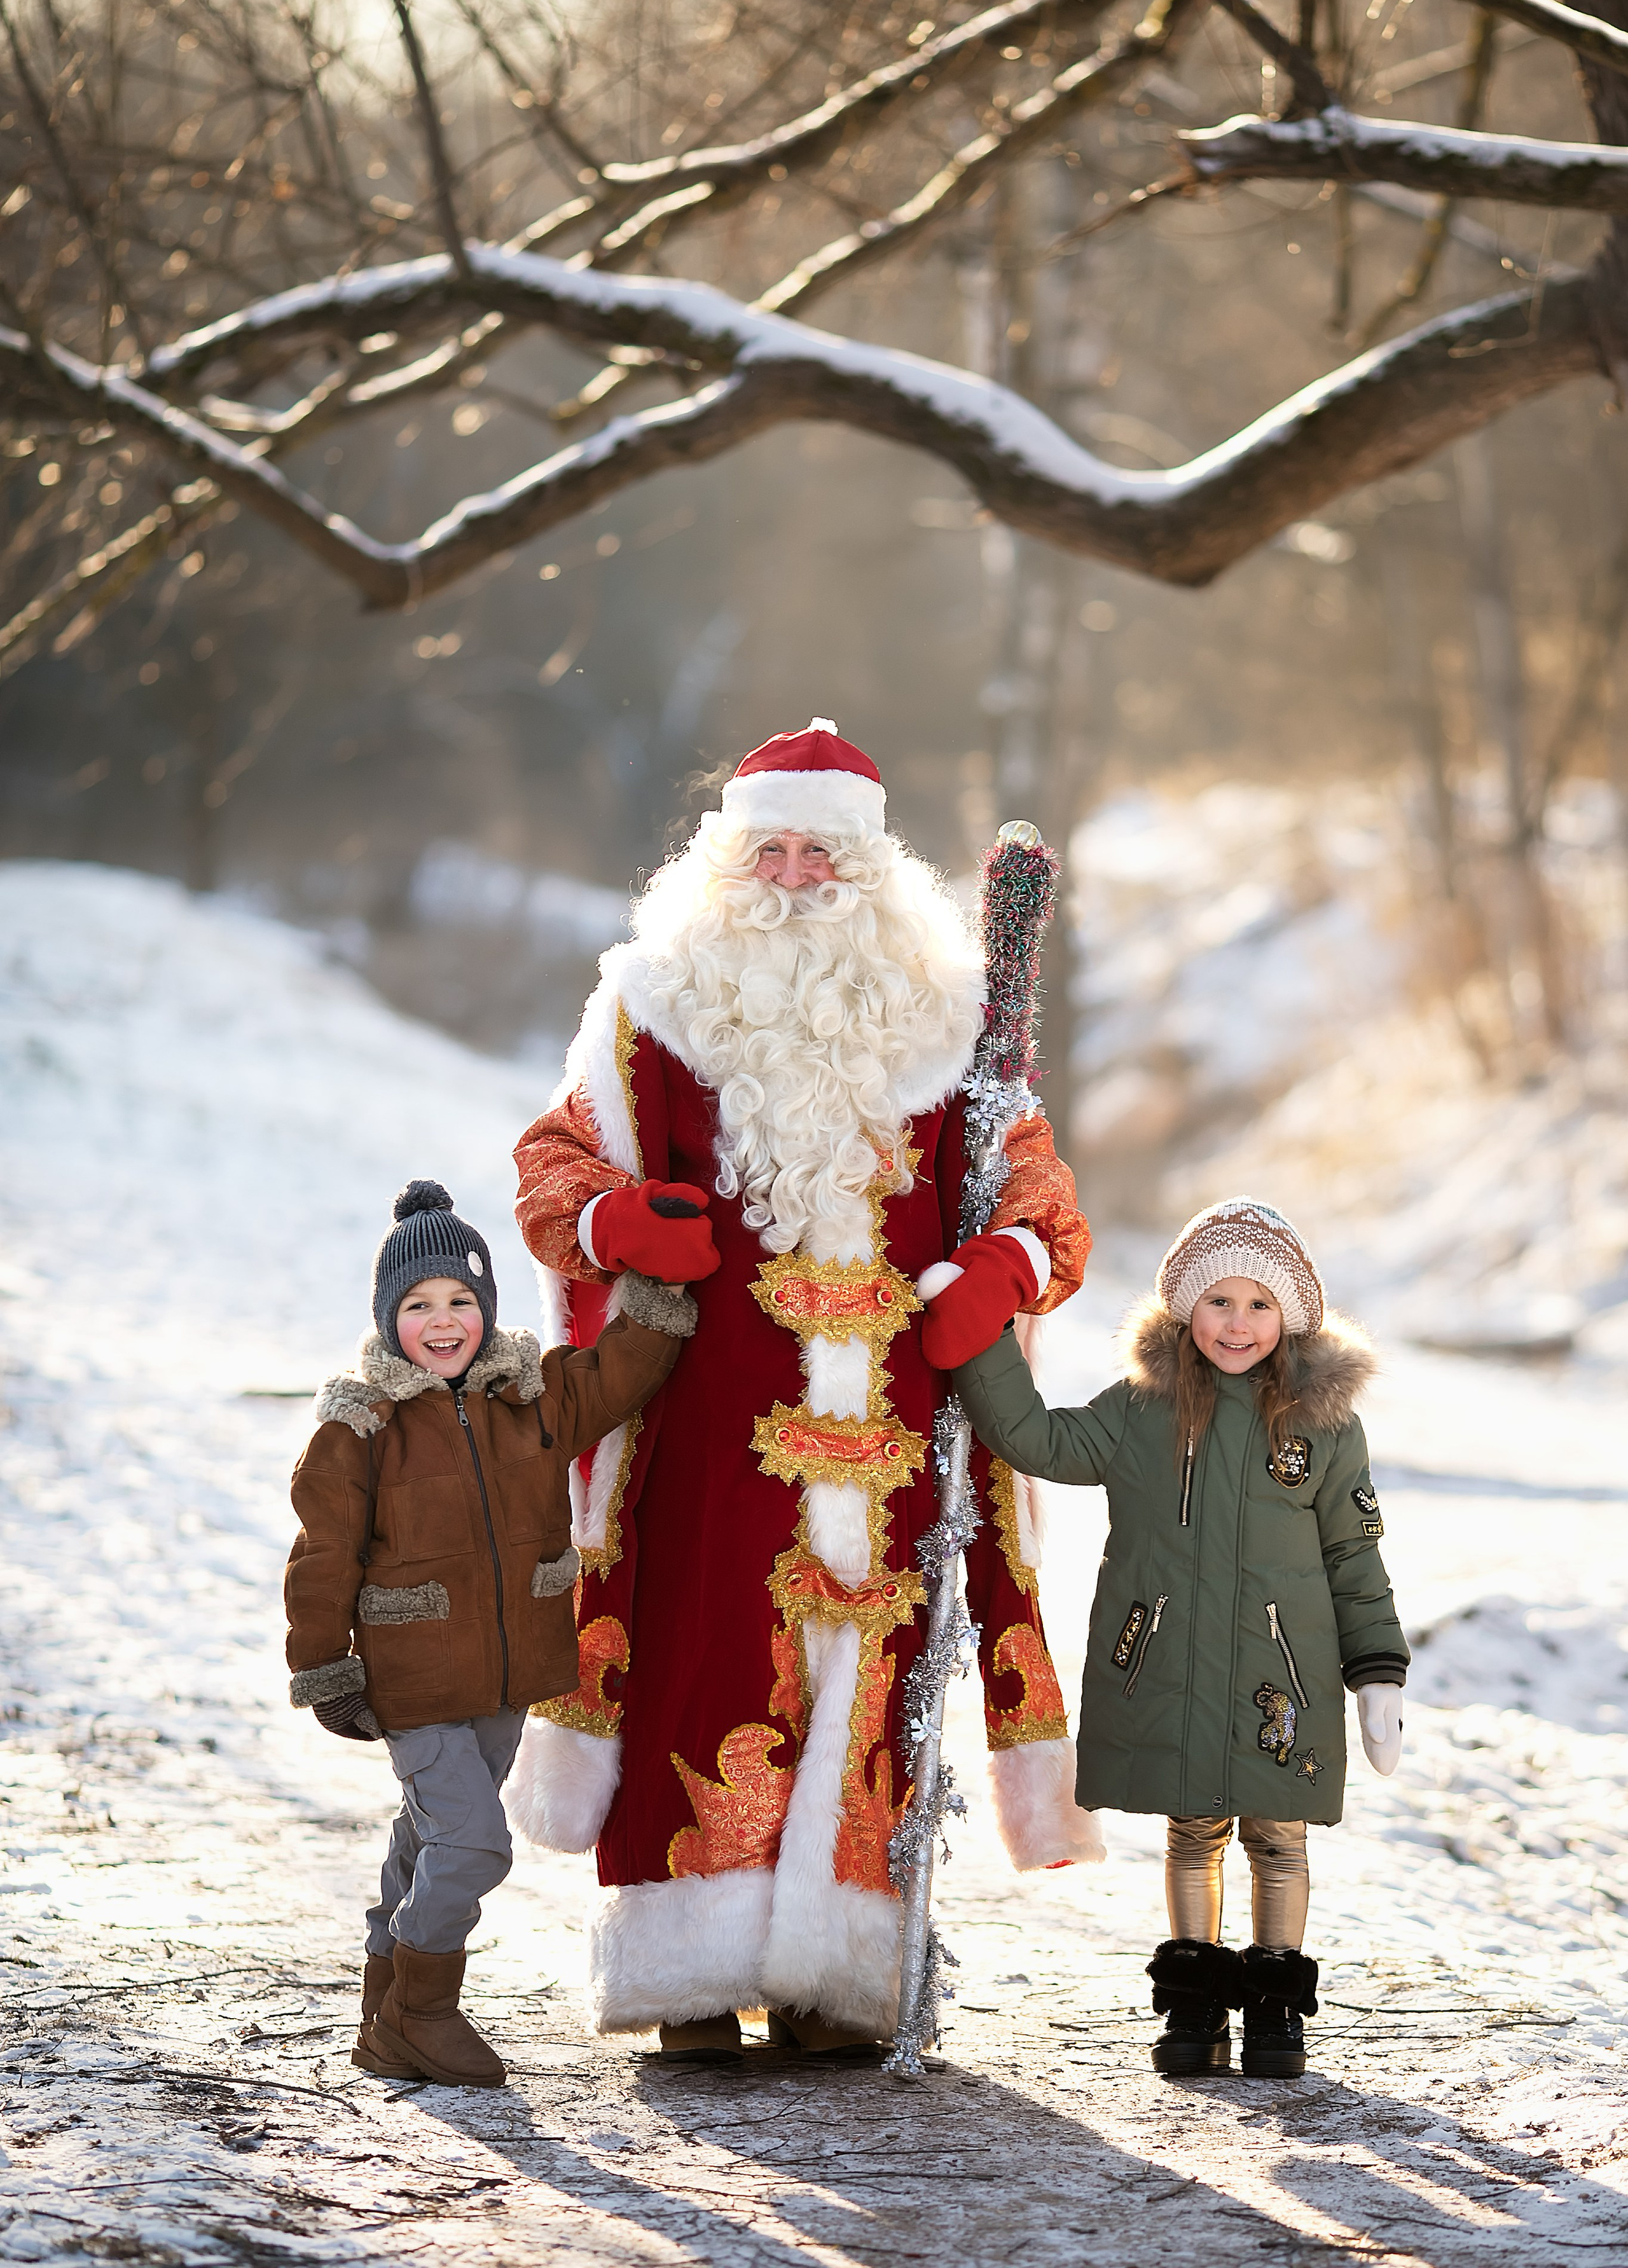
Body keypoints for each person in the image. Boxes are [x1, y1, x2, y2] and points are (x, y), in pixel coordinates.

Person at [509, 719, 1096, 2057]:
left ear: (872, 872)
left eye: (819, 855)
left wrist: (1004, 1266)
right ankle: (693, 1977)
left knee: (874, 1673)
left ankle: (838, 1978)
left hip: (898, 1421)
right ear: (721, 861)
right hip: (710, 1423)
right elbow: (552, 1162)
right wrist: (616, 1223)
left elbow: (1040, 1197)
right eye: (765, 848)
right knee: (703, 1654)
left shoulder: (952, 1030)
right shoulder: (652, 1003)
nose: (790, 876)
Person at [948, 1196, 1409, 2079]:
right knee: (1193, 1829)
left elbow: (1355, 1552)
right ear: (1183, 1309)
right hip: (1174, 1666)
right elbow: (1036, 1437)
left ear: (1292, 1316)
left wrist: (1376, 1669)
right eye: (1218, 1301)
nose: (1238, 1324)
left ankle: (1277, 2009)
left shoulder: (1323, 1426)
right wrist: (982, 1334)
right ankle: (1194, 2003)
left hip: (1288, 1677)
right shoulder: (1143, 1408)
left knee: (1279, 1837)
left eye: (1260, 1304)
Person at [284, 1179, 695, 2087]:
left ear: (487, 1307)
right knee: (474, 1842)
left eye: (460, 1300)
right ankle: (421, 2013)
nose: (442, 1321)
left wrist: (660, 1293)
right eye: (419, 1305)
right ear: (390, 1318)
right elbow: (322, 1554)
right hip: (414, 1678)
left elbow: (621, 1372)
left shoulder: (530, 1395)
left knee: (428, 1834)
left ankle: (382, 1995)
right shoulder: (362, 1426)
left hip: (508, 1676)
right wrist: (323, 1667)